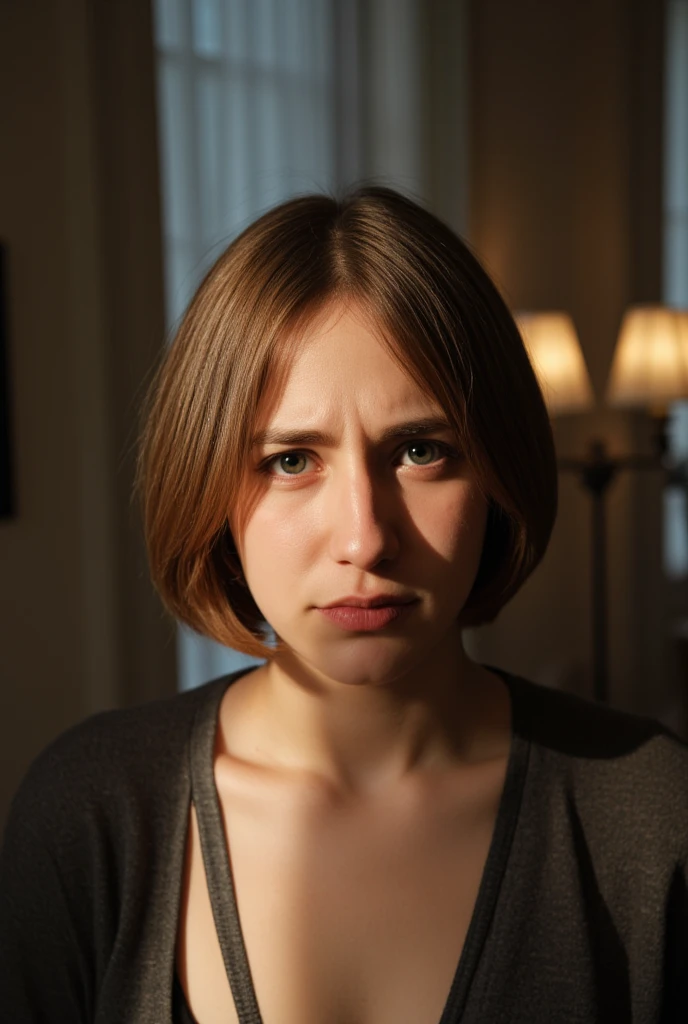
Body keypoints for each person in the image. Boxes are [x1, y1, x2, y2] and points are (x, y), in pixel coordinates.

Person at [0, 186, 686, 1024]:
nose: (364, 538)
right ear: (209, 486)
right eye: (291, 461)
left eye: (421, 451)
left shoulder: (648, 815)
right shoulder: (90, 812)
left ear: (500, 474)